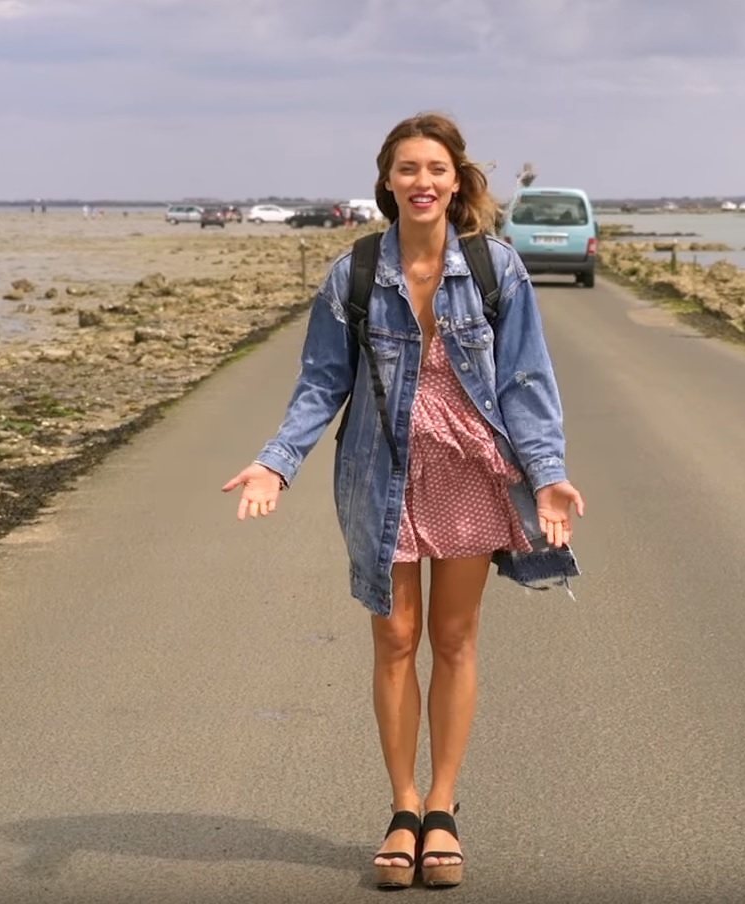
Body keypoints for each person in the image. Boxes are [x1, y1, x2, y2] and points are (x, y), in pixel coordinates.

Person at [222, 112, 584, 889]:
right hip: (380, 473)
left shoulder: (494, 268)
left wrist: (547, 471)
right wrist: (275, 464)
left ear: (456, 181)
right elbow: (323, 382)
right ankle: (403, 806)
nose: (423, 181)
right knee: (394, 639)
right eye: (408, 168)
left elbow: (526, 380)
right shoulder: (353, 274)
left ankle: (443, 807)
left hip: (468, 472)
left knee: (452, 639)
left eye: (436, 169)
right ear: (387, 180)